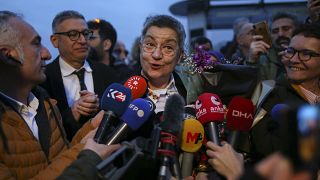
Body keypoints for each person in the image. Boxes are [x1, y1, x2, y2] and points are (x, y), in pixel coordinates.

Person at [0, 10, 107, 179]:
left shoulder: (45, 103)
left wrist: (92, 126)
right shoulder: (48, 83)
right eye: (36, 44)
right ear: (8, 55)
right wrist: (88, 154)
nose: (47, 54)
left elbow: (60, 156)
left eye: (85, 34)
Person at [41, 11, 119, 140]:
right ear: (55, 41)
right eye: (73, 35)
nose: (82, 40)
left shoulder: (108, 74)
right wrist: (73, 113)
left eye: (86, 34)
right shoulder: (43, 79)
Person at [250, 23, 320, 162]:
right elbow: (264, 150)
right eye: (290, 51)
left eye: (306, 54)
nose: (293, 60)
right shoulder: (270, 95)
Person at [139, 15, 187, 113]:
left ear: (179, 56)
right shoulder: (122, 93)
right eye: (150, 44)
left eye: (168, 47)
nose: (156, 55)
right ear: (140, 48)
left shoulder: (190, 93)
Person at [246, 12, 300, 80]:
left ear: (298, 30)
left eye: (286, 29)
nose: (280, 34)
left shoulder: (307, 55)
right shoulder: (264, 60)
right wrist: (251, 62)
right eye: (275, 31)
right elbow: (252, 87)